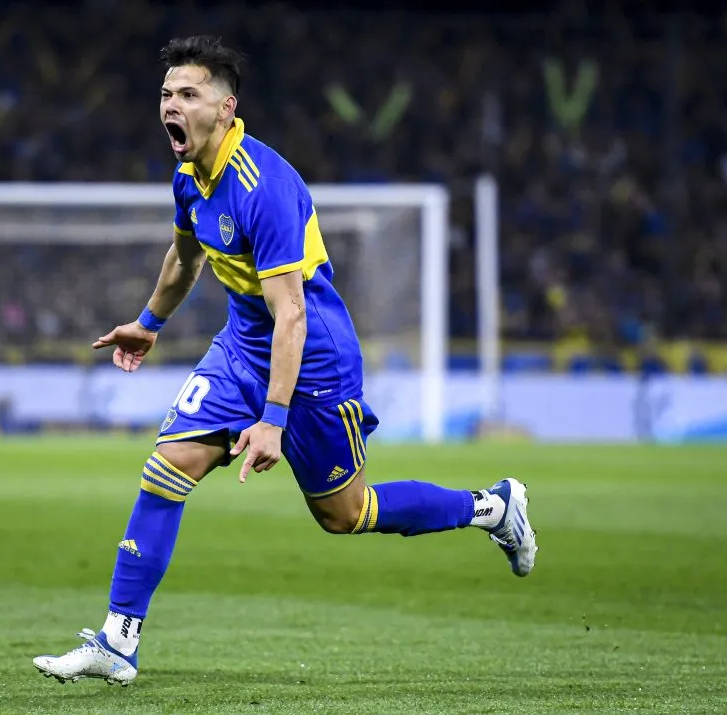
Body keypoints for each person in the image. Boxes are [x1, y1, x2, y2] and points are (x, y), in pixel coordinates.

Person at [33, 35, 537, 686]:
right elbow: (186, 255)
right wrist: (150, 322)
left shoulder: (262, 186)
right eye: (166, 94)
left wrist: (272, 418)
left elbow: (293, 314)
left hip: (315, 356)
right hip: (243, 345)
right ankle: (117, 641)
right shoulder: (189, 177)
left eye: (188, 94)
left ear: (225, 106)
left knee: (346, 514)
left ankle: (493, 508)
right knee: (166, 469)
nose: (172, 106)